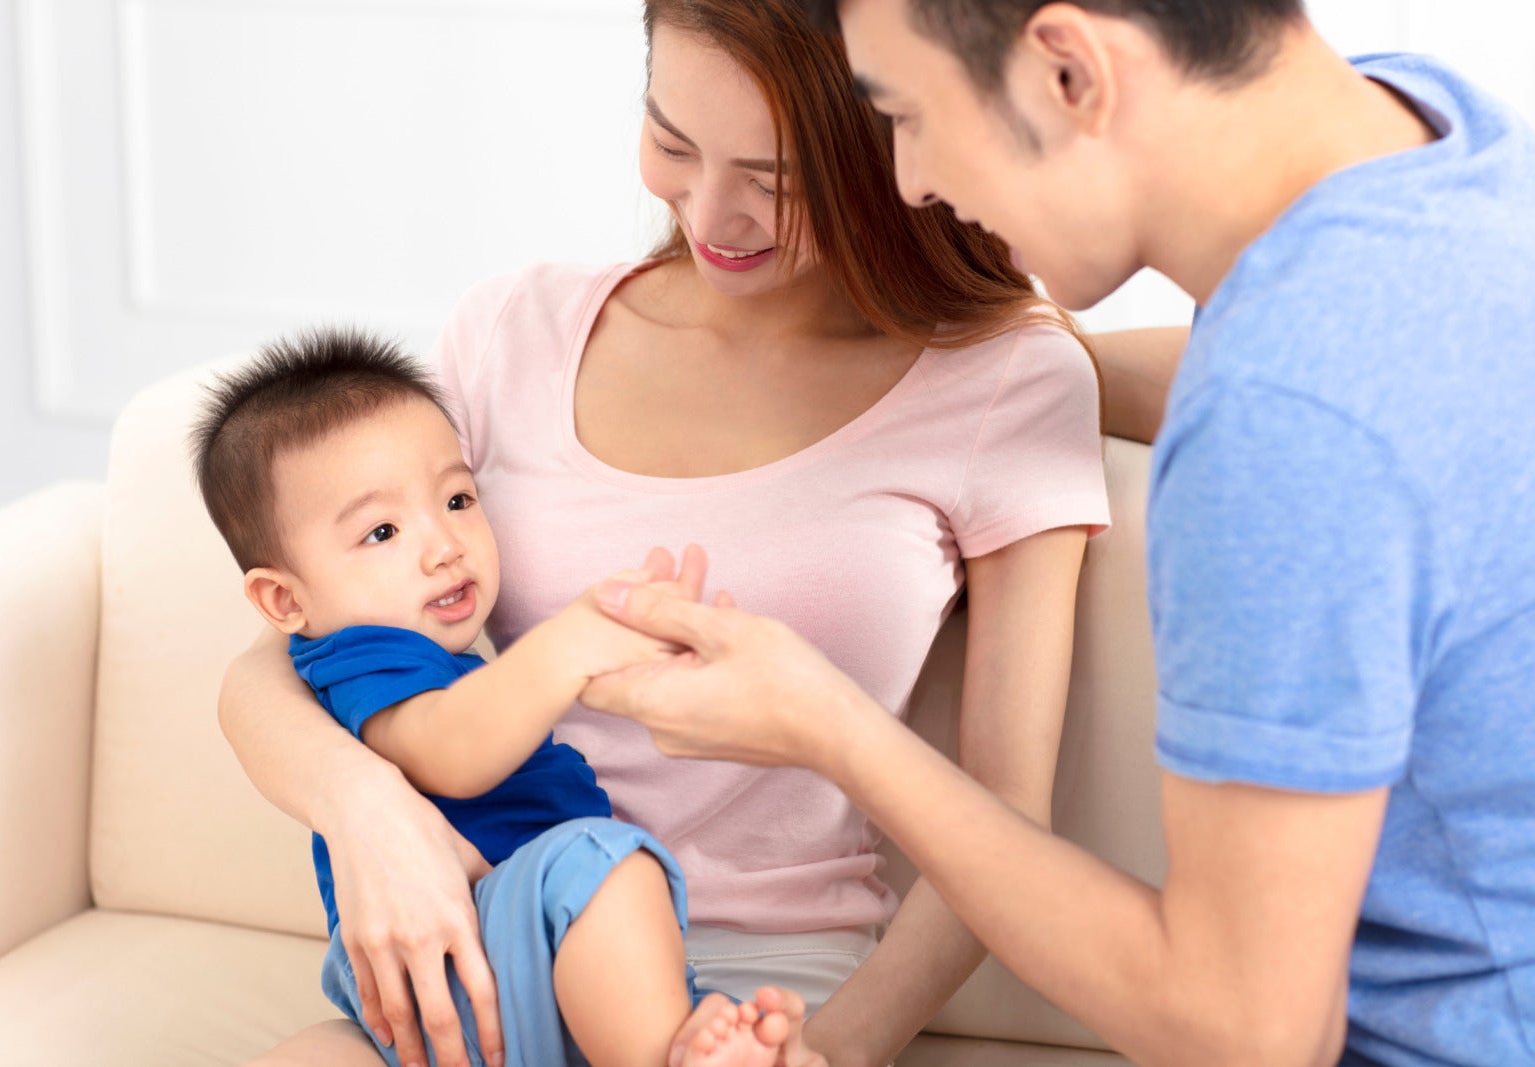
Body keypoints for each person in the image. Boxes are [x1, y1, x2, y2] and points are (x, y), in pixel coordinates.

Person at [581, 1, 1535, 1064]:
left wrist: (830, 726)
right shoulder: (1439, 141)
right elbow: (1370, 395)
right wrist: (1018, 371)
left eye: (910, 112)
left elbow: (1250, 1035)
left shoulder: (1282, 419)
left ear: (1070, 73)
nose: (906, 182)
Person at [214, 2, 1151, 1065]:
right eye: (670, 139)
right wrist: (371, 814)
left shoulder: (1005, 384)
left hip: (760, 981)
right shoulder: (514, 331)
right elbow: (285, 657)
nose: (712, 211)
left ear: (909, 138)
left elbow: (1001, 817)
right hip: (483, 922)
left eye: (779, 178)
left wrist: (836, 1049)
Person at [191, 328, 815, 1067]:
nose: (444, 544)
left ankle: (673, 1047)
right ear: (282, 599)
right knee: (606, 863)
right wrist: (572, 642)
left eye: (457, 498)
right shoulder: (359, 656)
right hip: (459, 953)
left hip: (490, 984)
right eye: (382, 530)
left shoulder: (425, 652)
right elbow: (449, 748)